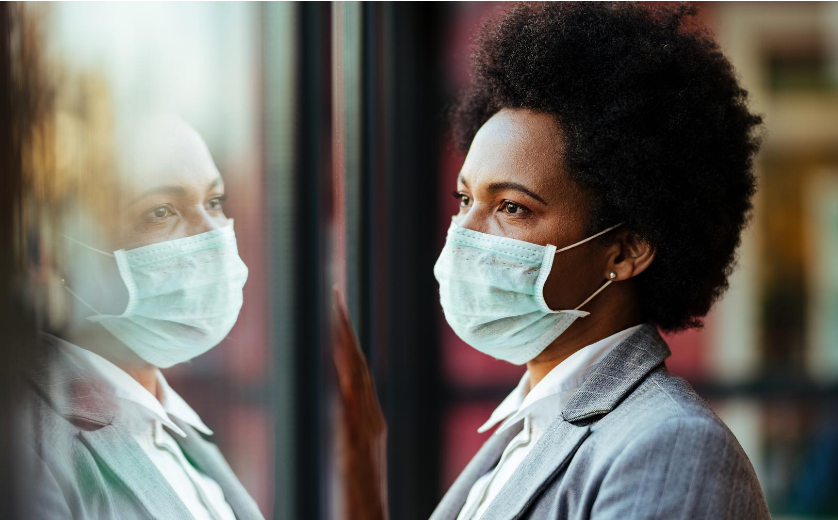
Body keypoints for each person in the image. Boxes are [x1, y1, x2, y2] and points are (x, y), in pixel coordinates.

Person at [334, 3, 771, 519]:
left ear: (627, 249)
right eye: (464, 199)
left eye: (512, 208)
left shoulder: (670, 444)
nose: (464, 234)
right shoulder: (526, 429)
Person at [19, 116, 263, 520]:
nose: (212, 236)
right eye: (161, 211)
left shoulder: (175, 431)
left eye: (215, 202)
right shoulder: (27, 449)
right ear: (50, 251)